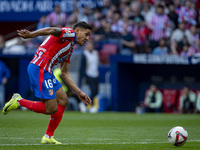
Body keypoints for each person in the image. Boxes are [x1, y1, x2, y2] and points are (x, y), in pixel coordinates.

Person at [2, 21, 92, 144]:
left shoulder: (69, 48)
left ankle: (48, 137)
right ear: (77, 31)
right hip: (40, 68)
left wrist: (79, 92)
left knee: (63, 100)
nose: (87, 38)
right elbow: (51, 30)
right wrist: (32, 35)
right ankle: (18, 101)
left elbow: (64, 73)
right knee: (51, 109)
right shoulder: (70, 33)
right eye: (86, 34)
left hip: (47, 71)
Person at [80, 40, 99, 113]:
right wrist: (84, 76)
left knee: (96, 91)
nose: (90, 46)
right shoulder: (85, 54)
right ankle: (88, 105)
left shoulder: (95, 53)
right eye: (89, 45)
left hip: (96, 74)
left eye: (91, 45)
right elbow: (82, 67)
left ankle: (86, 104)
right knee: (93, 90)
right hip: (89, 74)